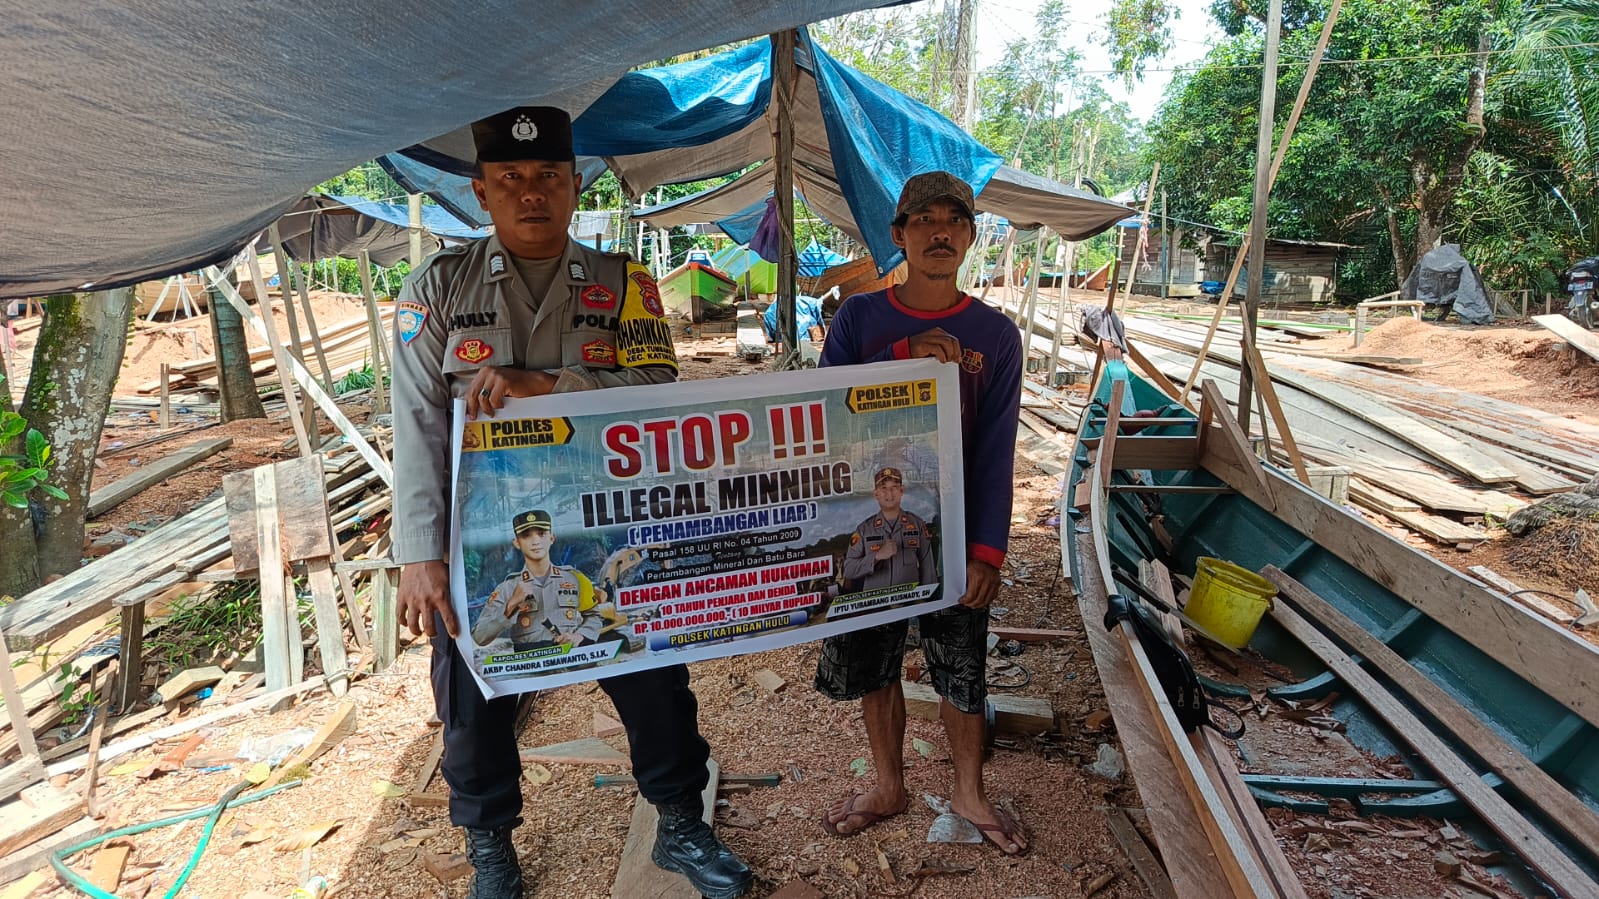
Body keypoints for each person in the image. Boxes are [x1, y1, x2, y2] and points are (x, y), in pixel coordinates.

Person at [390, 106, 751, 899]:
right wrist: (418, 553)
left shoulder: (624, 283)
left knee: (650, 671)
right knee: (474, 697)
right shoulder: (438, 289)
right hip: (482, 540)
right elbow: (415, 419)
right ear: (482, 193)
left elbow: (657, 387)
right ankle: (489, 846)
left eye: (547, 176)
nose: (531, 193)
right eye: (510, 179)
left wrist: (555, 386)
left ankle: (681, 825)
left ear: (574, 185)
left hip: (605, 521)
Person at [812, 171, 1027, 854]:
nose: (939, 232)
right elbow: (823, 415)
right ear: (898, 235)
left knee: (960, 663)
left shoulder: (993, 335)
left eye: (954, 220)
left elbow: (996, 447)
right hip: (871, 521)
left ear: (969, 235)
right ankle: (887, 783)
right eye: (923, 220)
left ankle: (968, 789)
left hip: (954, 527)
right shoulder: (859, 320)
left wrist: (986, 549)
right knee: (876, 658)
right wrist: (900, 359)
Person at [470, 510, 603, 650]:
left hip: (570, 660)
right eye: (526, 536)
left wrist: (579, 636)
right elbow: (479, 637)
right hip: (529, 666)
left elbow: (594, 616)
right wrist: (511, 605)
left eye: (541, 534)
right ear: (517, 543)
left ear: (551, 538)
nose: (536, 541)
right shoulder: (508, 588)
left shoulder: (575, 579)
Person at [841, 467, 936, 591]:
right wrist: (876, 557)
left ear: (902, 490)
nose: (889, 494)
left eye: (894, 487)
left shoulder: (917, 524)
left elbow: (928, 568)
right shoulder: (864, 530)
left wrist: (927, 600)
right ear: (876, 494)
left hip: (909, 603)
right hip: (876, 606)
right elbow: (848, 570)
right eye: (883, 488)